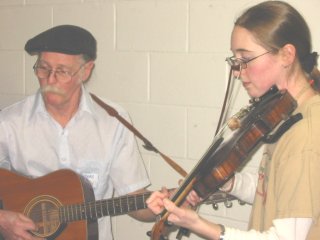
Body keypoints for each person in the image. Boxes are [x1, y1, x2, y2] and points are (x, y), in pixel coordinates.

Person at [146, 1, 320, 239]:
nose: (237, 71)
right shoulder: (284, 115)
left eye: (245, 59)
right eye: (234, 60)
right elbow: (273, 191)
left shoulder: (306, 132)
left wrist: (200, 225)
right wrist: (227, 183)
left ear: (287, 54)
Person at [0, 25, 155, 240]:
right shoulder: (8, 123)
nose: (50, 80)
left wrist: (169, 206)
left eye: (62, 71)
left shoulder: (113, 121)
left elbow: (134, 201)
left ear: (86, 71)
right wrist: (2, 220)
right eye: (43, 68)